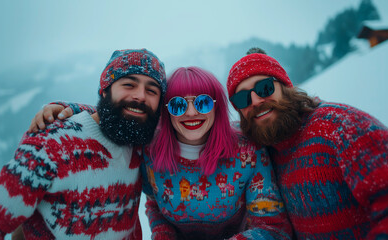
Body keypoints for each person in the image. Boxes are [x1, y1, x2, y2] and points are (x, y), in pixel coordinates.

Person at [28, 66, 293, 240]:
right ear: (166, 111)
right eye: (178, 105)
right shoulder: (149, 149)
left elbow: (273, 228)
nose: (191, 113)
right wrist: (67, 109)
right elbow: (118, 116)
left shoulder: (247, 151)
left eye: (201, 102)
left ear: (217, 107)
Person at [0, 48, 167, 239]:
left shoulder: (139, 144)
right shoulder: (53, 142)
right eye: (129, 84)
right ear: (104, 90)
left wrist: (73, 107)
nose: (141, 96)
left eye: (151, 90)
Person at [226, 47, 388, 239]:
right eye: (242, 98)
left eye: (264, 88)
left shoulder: (341, 127)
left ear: (286, 87)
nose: (254, 101)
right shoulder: (261, 150)